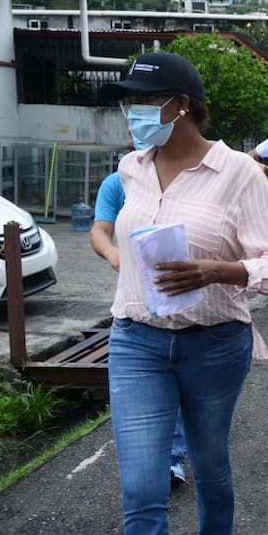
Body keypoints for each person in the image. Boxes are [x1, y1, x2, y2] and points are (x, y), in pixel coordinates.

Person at [99, 52, 268, 535]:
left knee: (209, 463)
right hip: (135, 341)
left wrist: (222, 268)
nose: (131, 110)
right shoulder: (131, 168)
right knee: (142, 492)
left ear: (180, 103)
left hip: (213, 343)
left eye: (142, 98)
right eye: (126, 99)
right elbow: (113, 241)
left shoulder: (237, 172)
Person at [90, 167, 190, 488]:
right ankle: (146, 463)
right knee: (140, 386)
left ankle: (172, 459)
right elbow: (100, 230)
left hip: (180, 291)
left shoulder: (188, 175)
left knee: (175, 381)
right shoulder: (117, 183)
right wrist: (112, 253)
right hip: (133, 300)